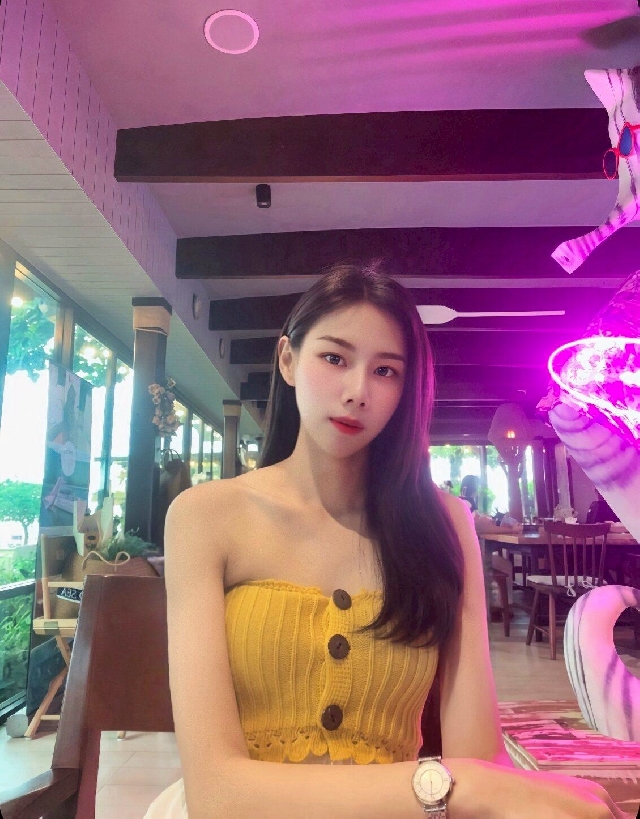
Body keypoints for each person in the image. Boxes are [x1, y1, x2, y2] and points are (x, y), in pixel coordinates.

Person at [145, 263, 623, 818]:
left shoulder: (443, 523)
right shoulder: (205, 517)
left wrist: (494, 788)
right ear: (288, 360)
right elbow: (217, 795)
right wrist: (460, 787)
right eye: (334, 358)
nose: (358, 392)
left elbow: (478, 756)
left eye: (386, 371)